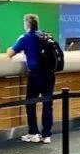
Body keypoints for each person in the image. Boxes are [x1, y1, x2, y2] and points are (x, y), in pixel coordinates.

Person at [6, 14, 54, 144]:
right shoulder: (47, 36)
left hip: (35, 75)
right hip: (50, 75)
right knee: (47, 105)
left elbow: (10, 54)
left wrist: (10, 48)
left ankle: (33, 133)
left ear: (26, 24)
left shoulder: (25, 38)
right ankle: (47, 135)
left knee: (31, 103)